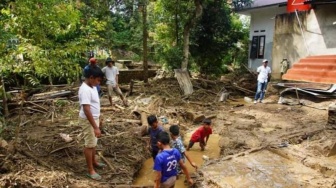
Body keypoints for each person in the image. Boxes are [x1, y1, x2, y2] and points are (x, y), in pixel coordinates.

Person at [78, 65, 106, 180]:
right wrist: (95, 127)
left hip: (94, 118)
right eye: (98, 80)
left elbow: (94, 104)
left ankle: (94, 162)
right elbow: (86, 109)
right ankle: (90, 170)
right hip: (88, 120)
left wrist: (98, 118)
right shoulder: (84, 90)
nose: (99, 83)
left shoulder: (92, 86)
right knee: (89, 145)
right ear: (91, 77)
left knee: (93, 143)